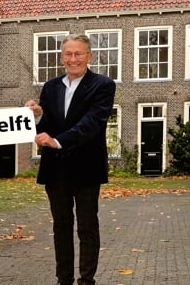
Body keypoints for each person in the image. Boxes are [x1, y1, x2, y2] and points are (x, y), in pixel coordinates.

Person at [25, 34, 116, 285]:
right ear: (62, 57)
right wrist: (34, 116)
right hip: (56, 168)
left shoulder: (103, 84)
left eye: (78, 54)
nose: (72, 59)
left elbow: (93, 122)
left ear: (89, 56)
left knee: (87, 226)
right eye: (68, 54)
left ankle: (86, 280)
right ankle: (63, 279)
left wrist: (58, 141)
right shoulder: (51, 86)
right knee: (60, 227)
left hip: (87, 166)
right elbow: (49, 124)